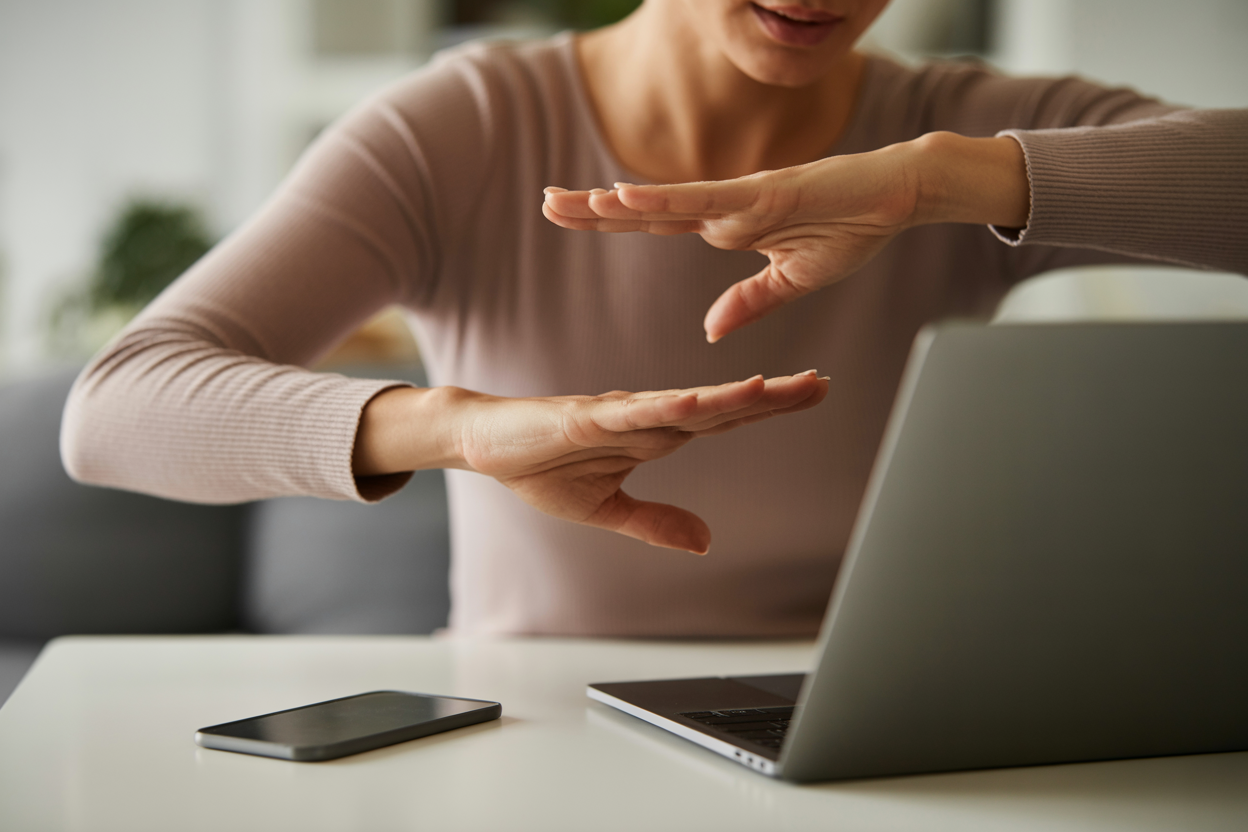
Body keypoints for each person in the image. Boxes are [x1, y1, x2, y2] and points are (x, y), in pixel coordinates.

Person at [62, 1, 1247, 638]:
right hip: (533, 730)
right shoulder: (457, 127)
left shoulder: (966, 126)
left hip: (865, 733)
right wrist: (462, 429)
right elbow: (117, 409)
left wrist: (935, 182)